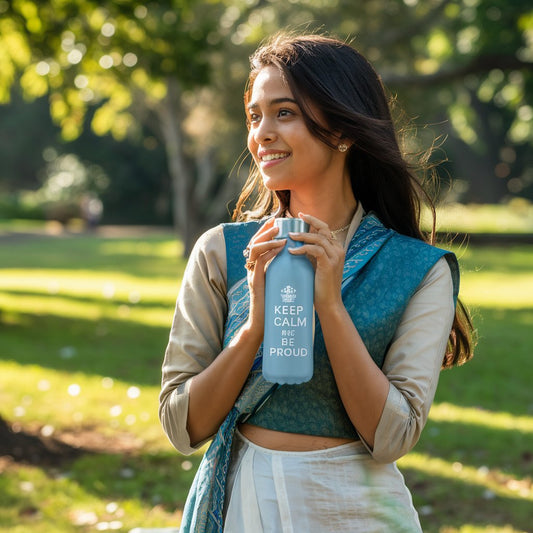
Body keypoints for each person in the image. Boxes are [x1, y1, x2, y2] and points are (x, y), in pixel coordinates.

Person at [159, 32, 474, 533]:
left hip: (356, 510)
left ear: (343, 128)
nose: (261, 133)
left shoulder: (419, 270)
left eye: (284, 112)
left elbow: (393, 437)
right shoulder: (221, 252)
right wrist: (255, 328)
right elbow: (181, 425)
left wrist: (331, 307)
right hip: (242, 503)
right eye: (254, 115)